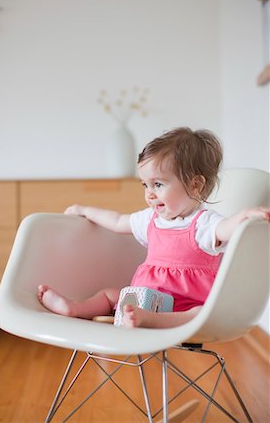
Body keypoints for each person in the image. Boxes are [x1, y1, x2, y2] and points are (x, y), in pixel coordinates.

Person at [38, 127, 270, 328]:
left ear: (195, 184)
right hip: (143, 297)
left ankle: (149, 320)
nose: (149, 194)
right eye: (145, 185)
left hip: (184, 304)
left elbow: (227, 228)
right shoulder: (151, 219)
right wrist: (85, 210)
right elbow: (118, 221)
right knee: (109, 296)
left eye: (158, 184)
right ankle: (75, 308)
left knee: (199, 314)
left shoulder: (203, 223)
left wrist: (245, 215)